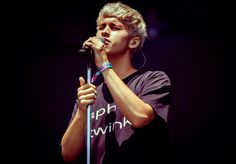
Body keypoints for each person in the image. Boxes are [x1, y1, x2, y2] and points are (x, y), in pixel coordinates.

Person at [60, 2, 172, 164]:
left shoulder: (153, 79)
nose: (104, 31)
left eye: (114, 27)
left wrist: (104, 66)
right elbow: (68, 154)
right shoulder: (90, 93)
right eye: (101, 26)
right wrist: (81, 112)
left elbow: (140, 117)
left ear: (133, 42)